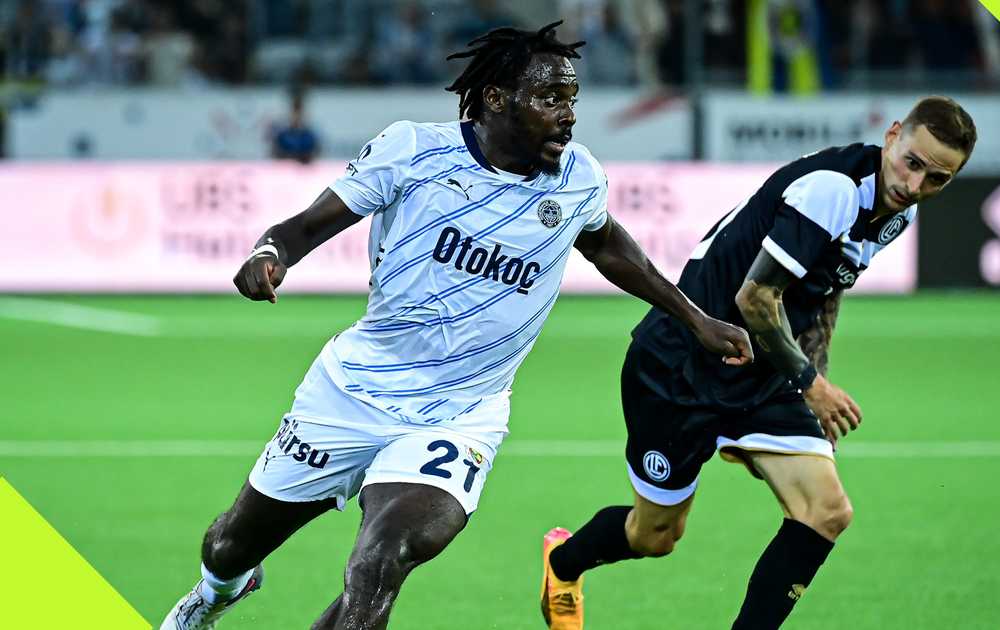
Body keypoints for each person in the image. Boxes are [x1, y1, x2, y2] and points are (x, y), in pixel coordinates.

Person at [160, 21, 752, 630]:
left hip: (461, 415)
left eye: (573, 100)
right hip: (352, 393)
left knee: (383, 558)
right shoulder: (413, 150)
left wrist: (696, 319)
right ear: (495, 98)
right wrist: (269, 254)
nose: (568, 115)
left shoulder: (577, 178)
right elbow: (305, 226)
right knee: (229, 545)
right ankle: (216, 593)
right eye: (550, 99)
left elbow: (608, 247)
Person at [541, 96, 977, 630]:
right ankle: (564, 564)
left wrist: (814, 382)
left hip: (764, 366)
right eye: (913, 163)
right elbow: (756, 298)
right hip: (682, 364)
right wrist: (810, 384)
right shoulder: (834, 190)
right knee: (654, 536)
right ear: (892, 136)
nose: (914, 186)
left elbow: (822, 297)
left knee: (827, 512)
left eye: (937, 180)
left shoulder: (896, 214)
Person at [271, 88, 320, 164]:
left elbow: (316, 155)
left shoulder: (310, 136)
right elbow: (275, 155)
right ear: (290, 112)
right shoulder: (282, 135)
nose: (297, 116)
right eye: (294, 112)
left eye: (299, 112)